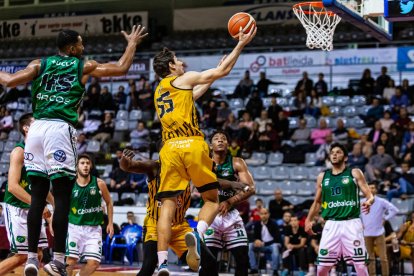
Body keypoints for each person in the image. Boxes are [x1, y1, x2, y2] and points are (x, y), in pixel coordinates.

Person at [0, 25, 147, 275]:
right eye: (80, 43)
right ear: (71, 48)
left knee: (37, 197)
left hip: (36, 129)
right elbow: (121, 67)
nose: (83, 47)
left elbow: (10, 81)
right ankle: (58, 259)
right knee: (62, 196)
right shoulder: (83, 65)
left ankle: (32, 260)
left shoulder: (39, 63)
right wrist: (132, 43)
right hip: (59, 128)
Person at [152, 26, 256, 275]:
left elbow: (196, 92)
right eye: (177, 61)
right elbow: (223, 71)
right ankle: (198, 233)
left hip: (169, 148)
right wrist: (239, 45)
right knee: (211, 198)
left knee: (167, 205)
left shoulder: (159, 91)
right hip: (192, 144)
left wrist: (212, 77)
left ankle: (163, 261)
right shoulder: (182, 79)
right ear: (171, 67)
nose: (182, 63)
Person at [119, 148, 247, 276]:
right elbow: (131, 166)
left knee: (210, 262)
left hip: (179, 225)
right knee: (149, 265)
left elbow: (212, 181)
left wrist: (230, 184)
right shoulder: (156, 166)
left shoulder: (189, 169)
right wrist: (125, 161)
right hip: (155, 224)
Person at [305, 143, 374, 276]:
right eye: (332, 153)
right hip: (331, 224)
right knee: (322, 268)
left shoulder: (354, 172)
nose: (334, 154)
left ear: (346, 158)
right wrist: (309, 220)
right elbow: (317, 202)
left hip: (352, 223)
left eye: (338, 152)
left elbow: (369, 194)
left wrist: (369, 201)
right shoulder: (322, 177)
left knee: (360, 265)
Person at [0, 113, 54, 275]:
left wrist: (55, 204)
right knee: (22, 256)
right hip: (17, 208)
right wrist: (40, 205)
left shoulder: (41, 153)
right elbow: (12, 187)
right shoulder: (19, 151)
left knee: (37, 254)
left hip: (33, 208)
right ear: (26, 128)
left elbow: (41, 187)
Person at [204, 130, 255, 276]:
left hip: (231, 215)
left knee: (242, 260)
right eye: (216, 138)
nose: (220, 140)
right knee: (208, 263)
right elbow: (204, 183)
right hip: (210, 216)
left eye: (223, 139)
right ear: (210, 145)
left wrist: (230, 201)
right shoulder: (204, 162)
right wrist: (231, 184)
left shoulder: (237, 162)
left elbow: (250, 188)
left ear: (227, 144)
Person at [66, 153, 114, 276]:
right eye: (82, 163)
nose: (85, 166)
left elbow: (109, 202)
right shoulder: (70, 184)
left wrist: (110, 223)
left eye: (88, 163)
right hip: (74, 227)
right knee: (71, 260)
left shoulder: (99, 183)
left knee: (94, 263)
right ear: (76, 166)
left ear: (91, 166)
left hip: (93, 229)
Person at [361, 183, 398, 276]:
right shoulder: (361, 202)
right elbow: (354, 214)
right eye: (369, 188)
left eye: (373, 188)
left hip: (379, 233)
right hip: (366, 233)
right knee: (370, 258)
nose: (371, 189)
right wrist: (360, 223)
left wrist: (385, 218)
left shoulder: (381, 201)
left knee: (383, 258)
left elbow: (395, 210)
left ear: (376, 190)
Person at [248, 208, 281, 276]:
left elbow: (277, 239)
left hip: (272, 244)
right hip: (261, 245)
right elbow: (254, 236)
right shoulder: (257, 224)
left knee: (275, 247)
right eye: (262, 214)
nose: (263, 215)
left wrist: (265, 243)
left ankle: (275, 270)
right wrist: (256, 240)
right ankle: (254, 269)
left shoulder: (274, 223)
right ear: (259, 215)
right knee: (250, 246)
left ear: (269, 214)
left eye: (265, 213)